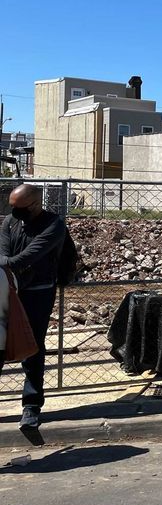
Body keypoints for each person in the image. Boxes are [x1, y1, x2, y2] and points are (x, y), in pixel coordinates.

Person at [0, 184, 66, 443]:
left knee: (33, 347)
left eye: (20, 208)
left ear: (36, 205)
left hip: (38, 292)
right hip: (7, 289)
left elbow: (22, 259)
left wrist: (6, 263)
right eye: (12, 208)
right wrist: (6, 263)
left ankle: (31, 406)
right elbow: (5, 253)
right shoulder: (11, 221)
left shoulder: (54, 225)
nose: (14, 213)